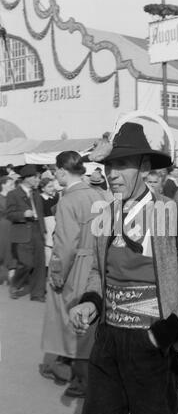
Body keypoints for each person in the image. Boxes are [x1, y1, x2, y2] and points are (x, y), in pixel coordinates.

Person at [69, 122, 178, 414]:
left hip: (152, 341)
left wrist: (171, 330)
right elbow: (99, 275)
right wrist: (90, 301)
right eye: (108, 165)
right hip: (107, 341)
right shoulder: (105, 214)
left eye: (122, 165)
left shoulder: (177, 214)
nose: (112, 174)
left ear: (144, 167)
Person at [41, 151, 102, 397]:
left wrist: (56, 274)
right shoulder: (99, 194)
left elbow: (65, 244)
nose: (55, 175)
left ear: (63, 171)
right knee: (89, 319)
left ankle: (79, 379)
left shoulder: (68, 200)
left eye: (56, 171)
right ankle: (73, 370)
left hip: (76, 264)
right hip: (96, 263)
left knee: (71, 320)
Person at [6, 165, 46, 301]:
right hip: (22, 231)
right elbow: (9, 214)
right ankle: (15, 283)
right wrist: (23, 214)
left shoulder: (36, 194)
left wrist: (43, 230)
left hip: (37, 230)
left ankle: (37, 294)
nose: (37, 179)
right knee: (27, 263)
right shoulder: (13, 194)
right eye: (35, 177)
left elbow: (40, 214)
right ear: (27, 178)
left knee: (40, 264)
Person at [39, 177, 59, 267]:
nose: (52, 188)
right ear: (43, 188)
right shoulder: (40, 199)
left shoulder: (55, 198)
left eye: (52, 186)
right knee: (48, 249)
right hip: (47, 225)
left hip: (55, 224)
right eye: (49, 186)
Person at [0, 176, 15, 283]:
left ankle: (11, 274)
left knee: (11, 249)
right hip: (2, 226)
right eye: (10, 184)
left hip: (12, 226)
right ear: (3, 185)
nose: (13, 186)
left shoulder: (13, 197)